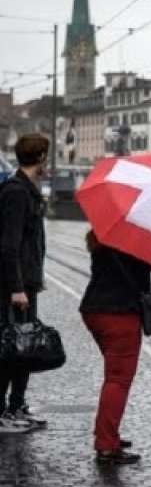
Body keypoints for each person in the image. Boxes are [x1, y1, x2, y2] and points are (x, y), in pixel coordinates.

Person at [80, 230, 151, 464]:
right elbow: (143, 268)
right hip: (119, 314)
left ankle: (107, 434)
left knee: (114, 376)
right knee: (118, 379)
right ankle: (106, 444)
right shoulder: (136, 238)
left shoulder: (102, 233)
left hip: (95, 310)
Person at [0, 134, 49, 434]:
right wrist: (16, 287)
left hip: (26, 283)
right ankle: (3, 412)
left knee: (25, 347)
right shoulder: (16, 192)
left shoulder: (28, 191)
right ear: (42, 156)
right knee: (10, 348)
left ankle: (17, 406)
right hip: (12, 287)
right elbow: (9, 245)